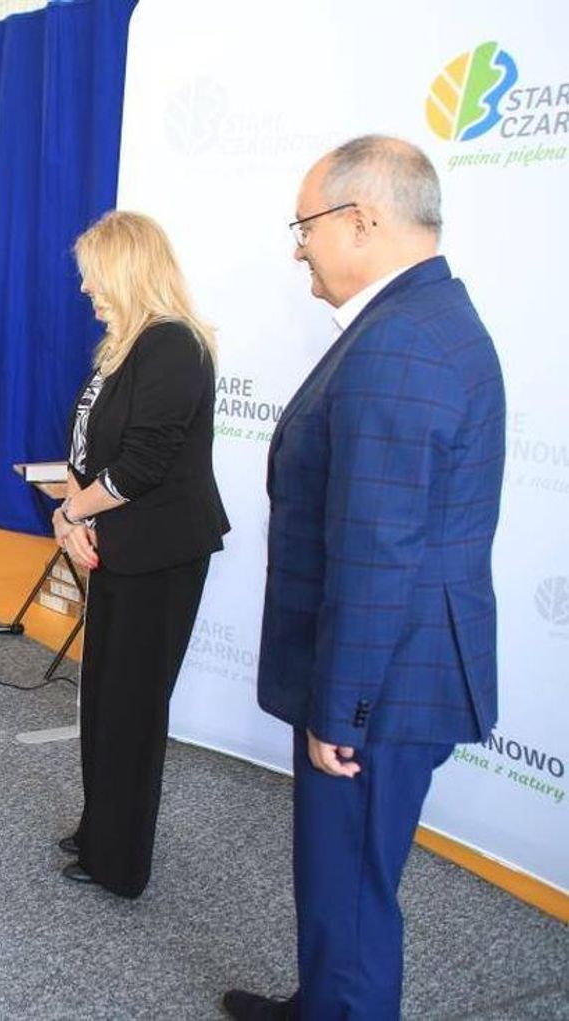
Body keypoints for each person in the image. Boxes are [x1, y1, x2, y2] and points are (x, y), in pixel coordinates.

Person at [221, 137, 505, 1021]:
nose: (298, 248)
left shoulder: (402, 343)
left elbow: (381, 549)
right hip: (392, 671)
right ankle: (321, 1002)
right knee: (341, 880)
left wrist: (343, 710)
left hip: (382, 686)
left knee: (350, 889)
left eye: (303, 227)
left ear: (362, 220)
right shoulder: (417, 320)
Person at [49, 211, 229, 898]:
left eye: (94, 277)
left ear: (128, 270)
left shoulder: (173, 345)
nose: (87, 290)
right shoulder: (121, 347)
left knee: (132, 709)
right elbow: (86, 448)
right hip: (117, 546)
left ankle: (120, 862)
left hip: (161, 553)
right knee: (102, 699)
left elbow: (142, 466)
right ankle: (101, 827)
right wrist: (69, 513)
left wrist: (73, 513)